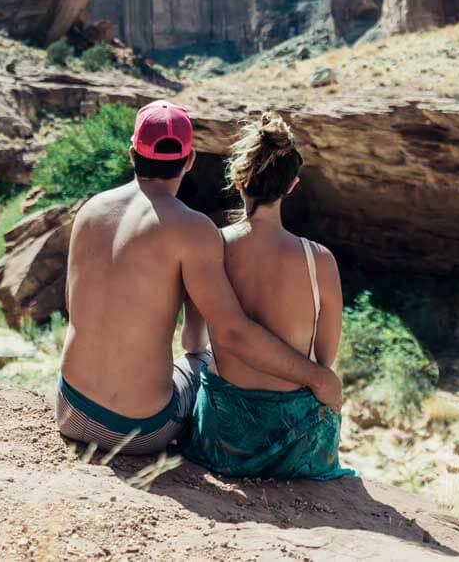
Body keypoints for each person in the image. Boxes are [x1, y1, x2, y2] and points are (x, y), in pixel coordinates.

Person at [56, 99, 342, 456]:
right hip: (135, 430)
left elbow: (75, 307)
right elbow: (229, 333)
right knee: (200, 360)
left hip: (68, 407)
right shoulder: (193, 229)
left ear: (132, 154)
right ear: (190, 161)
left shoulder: (91, 210)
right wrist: (318, 378)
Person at [182, 112, 354, 480]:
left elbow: (192, 341)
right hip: (296, 442)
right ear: (292, 185)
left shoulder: (212, 246)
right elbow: (325, 360)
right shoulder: (320, 260)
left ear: (237, 180)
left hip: (224, 438)